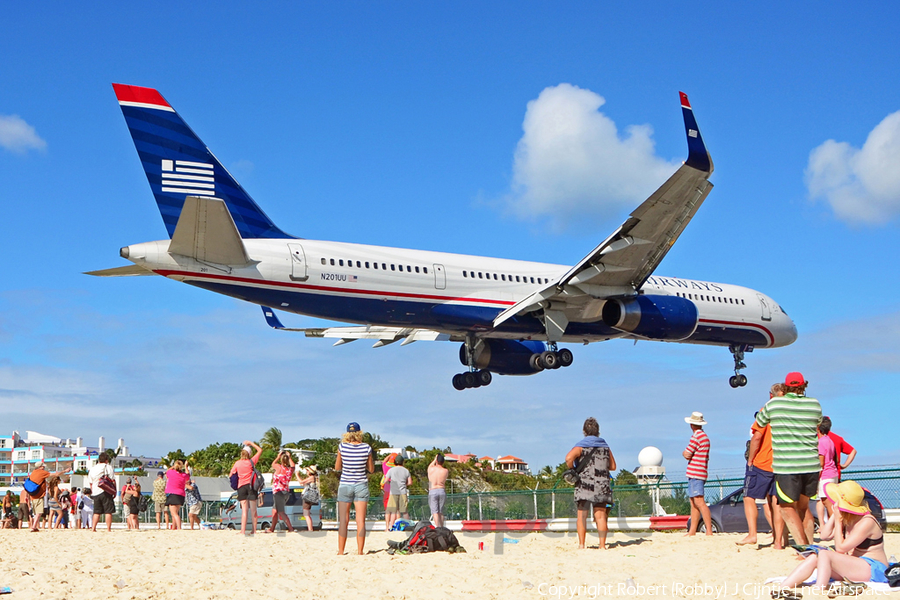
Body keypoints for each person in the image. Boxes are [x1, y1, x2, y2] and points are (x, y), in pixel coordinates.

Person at [772, 480, 888, 598]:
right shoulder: (849, 517)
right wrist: (835, 516)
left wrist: (838, 520)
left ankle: (819, 590)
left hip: (873, 569)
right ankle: (783, 587)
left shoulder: (867, 521)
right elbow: (825, 536)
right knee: (814, 557)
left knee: (825, 555)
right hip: (856, 565)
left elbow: (841, 548)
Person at [756, 372, 821, 545]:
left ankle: (803, 547)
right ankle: (809, 545)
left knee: (785, 507)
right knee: (803, 507)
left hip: (787, 466)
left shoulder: (775, 404)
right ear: (803, 386)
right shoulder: (814, 404)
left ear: (785, 387)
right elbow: (818, 422)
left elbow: (760, 421)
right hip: (811, 464)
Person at [738, 384, 786, 548]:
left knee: (749, 497)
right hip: (781, 463)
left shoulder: (766, 411)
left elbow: (756, 438)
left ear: (771, 395)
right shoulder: (787, 413)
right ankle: (779, 540)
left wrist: (751, 459)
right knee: (775, 501)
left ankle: (752, 534)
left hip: (763, 462)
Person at [565, 417, 616, 549]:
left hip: (584, 483)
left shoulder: (581, 445)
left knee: (582, 515)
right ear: (598, 431)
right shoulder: (605, 446)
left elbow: (569, 458)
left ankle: (582, 545)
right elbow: (613, 466)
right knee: (600, 516)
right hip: (602, 484)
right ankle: (602, 546)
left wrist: (572, 469)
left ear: (584, 431)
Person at [335, 422, 374, 555]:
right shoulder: (366, 448)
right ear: (359, 433)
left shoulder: (342, 447)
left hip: (345, 484)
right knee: (360, 520)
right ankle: (360, 551)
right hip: (361, 484)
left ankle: (341, 551)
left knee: (343, 520)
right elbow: (371, 469)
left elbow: (337, 467)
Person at [683, 411, 712, 536]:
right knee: (694, 502)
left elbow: (687, 454)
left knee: (699, 502)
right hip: (701, 471)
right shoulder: (705, 437)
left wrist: (684, 453)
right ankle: (693, 530)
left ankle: (708, 530)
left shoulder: (696, 437)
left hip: (695, 472)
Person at [229, 441, 262, 535]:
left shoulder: (237, 463)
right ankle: (254, 530)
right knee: (253, 510)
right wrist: (251, 443)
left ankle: (243, 530)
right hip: (251, 486)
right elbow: (260, 450)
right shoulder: (251, 462)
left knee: (244, 510)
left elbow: (231, 474)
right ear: (249, 454)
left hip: (241, 487)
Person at [26, 461, 66, 532]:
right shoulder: (41, 472)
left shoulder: (33, 472)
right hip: (39, 495)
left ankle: (34, 526)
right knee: (39, 512)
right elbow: (55, 474)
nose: (44, 467)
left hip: (33, 495)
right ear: (40, 467)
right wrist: (65, 471)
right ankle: (33, 527)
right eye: (43, 466)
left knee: (38, 512)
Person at [816, 418, 839, 528]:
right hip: (833, 473)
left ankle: (836, 527)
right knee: (832, 502)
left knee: (827, 502)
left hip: (826, 475)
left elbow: (821, 463)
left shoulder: (821, 442)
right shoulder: (830, 441)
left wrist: (816, 478)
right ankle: (836, 527)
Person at [266, 450, 295, 533]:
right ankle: (272, 528)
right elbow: (293, 465)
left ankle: (290, 528)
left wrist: (278, 456)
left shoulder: (278, 467)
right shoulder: (289, 470)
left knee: (281, 512)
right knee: (274, 511)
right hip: (286, 491)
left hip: (278, 492)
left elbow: (273, 464)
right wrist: (289, 457)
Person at [821, 416, 857, 481]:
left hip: (823, 475)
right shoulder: (837, 438)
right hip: (836, 475)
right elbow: (853, 451)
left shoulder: (818, 438)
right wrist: (844, 465)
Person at [87, 453, 116, 532]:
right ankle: (108, 529)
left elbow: (90, 482)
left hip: (95, 492)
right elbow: (112, 480)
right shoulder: (107, 467)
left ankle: (93, 528)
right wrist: (114, 491)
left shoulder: (92, 469)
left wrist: (92, 491)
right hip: (105, 490)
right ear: (106, 460)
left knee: (96, 512)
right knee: (108, 511)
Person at [384, 455, 412, 531]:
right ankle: (408, 528)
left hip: (393, 492)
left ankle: (391, 527)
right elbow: (410, 482)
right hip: (403, 492)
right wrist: (404, 484)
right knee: (405, 511)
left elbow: (385, 481)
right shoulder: (406, 471)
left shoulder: (391, 470)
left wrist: (390, 484)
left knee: (393, 511)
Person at [165, 459, 192, 530]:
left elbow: (167, 471)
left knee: (174, 514)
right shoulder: (184, 475)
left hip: (172, 494)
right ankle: (173, 528)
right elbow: (188, 475)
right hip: (181, 494)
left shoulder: (171, 473)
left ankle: (179, 528)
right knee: (176, 512)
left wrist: (173, 466)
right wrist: (186, 467)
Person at [427, 453, 449, 527]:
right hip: (441, 489)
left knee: (435, 511)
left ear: (436, 461)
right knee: (440, 511)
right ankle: (442, 527)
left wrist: (434, 459)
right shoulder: (445, 471)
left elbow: (430, 466)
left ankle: (438, 527)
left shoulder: (431, 469)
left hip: (433, 490)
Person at [297, 466, 319, 532]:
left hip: (308, 497)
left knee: (306, 514)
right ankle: (310, 528)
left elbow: (301, 482)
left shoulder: (311, 478)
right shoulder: (312, 478)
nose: (307, 472)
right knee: (307, 514)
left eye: (307, 470)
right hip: (310, 497)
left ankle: (310, 529)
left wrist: (297, 475)